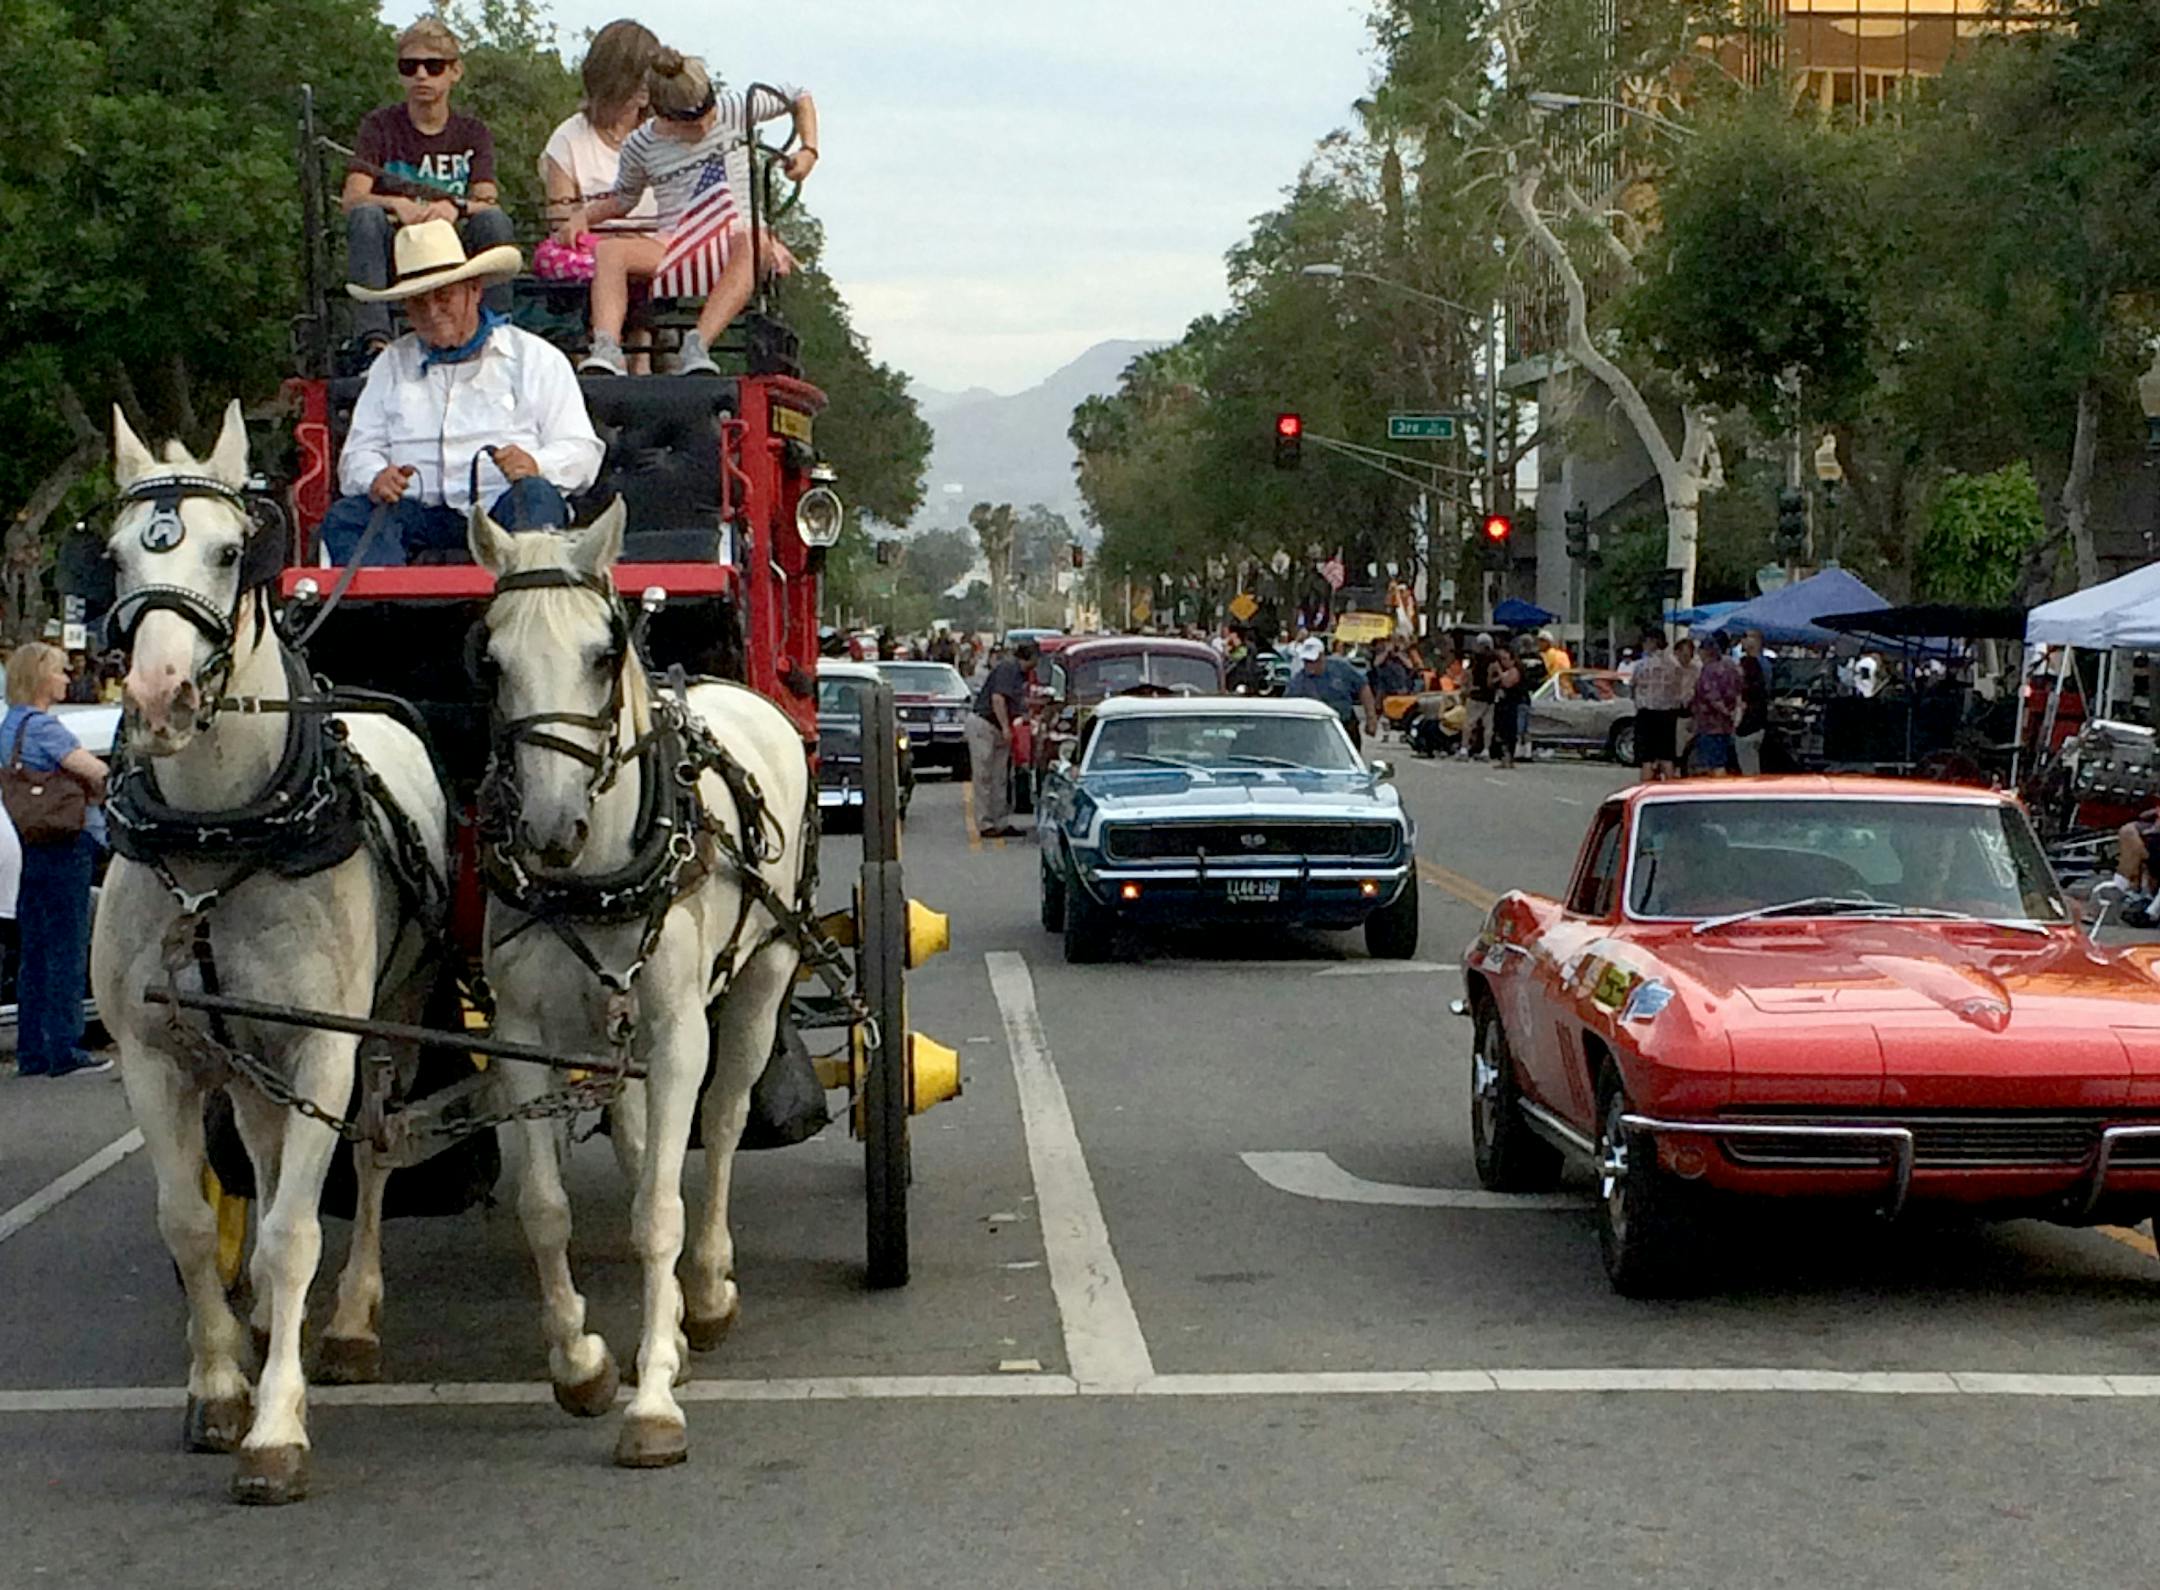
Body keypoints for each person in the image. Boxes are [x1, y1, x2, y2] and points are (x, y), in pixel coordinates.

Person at [322, 221, 605, 566]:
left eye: (443, 296)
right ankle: (388, 615)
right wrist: (376, 477)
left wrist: (536, 464)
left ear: (474, 290)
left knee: (537, 498)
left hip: (503, 509)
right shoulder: (391, 363)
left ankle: (522, 609)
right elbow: (358, 454)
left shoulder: (534, 357)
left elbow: (582, 450)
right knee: (350, 516)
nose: (432, 311)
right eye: (418, 302)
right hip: (416, 514)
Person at [579, 52, 819, 378]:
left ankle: (698, 344)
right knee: (609, 252)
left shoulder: (734, 110)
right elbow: (624, 199)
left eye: (708, 113)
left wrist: (808, 150)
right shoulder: (642, 144)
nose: (705, 125)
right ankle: (606, 347)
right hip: (676, 240)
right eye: (693, 122)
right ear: (666, 116)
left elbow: (798, 94)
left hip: (736, 235)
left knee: (753, 244)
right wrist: (582, 217)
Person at [342, 18, 517, 360]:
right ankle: (373, 342)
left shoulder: (472, 131)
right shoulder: (379, 127)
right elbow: (353, 197)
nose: (421, 75)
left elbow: (486, 197)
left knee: (494, 222)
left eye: (433, 66)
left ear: (455, 72)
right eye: (410, 67)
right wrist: (396, 205)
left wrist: (456, 208)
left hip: (454, 249)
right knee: (364, 217)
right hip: (397, 248)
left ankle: (498, 331)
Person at [3, 644, 111, 1078]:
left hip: (22, 844)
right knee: (67, 947)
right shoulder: (47, 730)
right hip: (63, 845)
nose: (69, 679)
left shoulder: (9, 725)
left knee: (34, 950)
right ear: (41, 678)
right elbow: (96, 772)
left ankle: (32, 1051)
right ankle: (66, 1050)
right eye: (61, 672)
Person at [538, 19, 663, 366]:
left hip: (654, 250)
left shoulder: (664, 139)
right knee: (604, 260)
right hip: (595, 255)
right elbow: (560, 221)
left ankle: (638, 350)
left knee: (639, 258)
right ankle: (620, 349)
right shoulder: (568, 140)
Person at [967, 638, 1037, 839]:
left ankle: (1000, 821)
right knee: (984, 775)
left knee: (1000, 777)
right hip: (985, 724)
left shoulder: (1022, 675)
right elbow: (997, 698)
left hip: (999, 728)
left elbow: (1017, 701)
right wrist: (1006, 727)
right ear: (1029, 657)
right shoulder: (1008, 669)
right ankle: (984, 822)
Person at [1286, 636, 1377, 750]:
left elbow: (1363, 687)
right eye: (1307, 661)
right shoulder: (1298, 681)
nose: (1310, 665)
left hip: (1345, 725)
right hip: (1315, 731)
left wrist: (1371, 718)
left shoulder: (1341, 668)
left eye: (1314, 661)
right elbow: (1288, 705)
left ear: (1322, 656)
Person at [1630, 629, 1685, 782]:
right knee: (1667, 755)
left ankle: (1647, 787)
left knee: (1647, 758)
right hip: (1668, 713)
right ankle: (1669, 787)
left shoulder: (1642, 665)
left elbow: (1633, 686)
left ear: (1653, 642)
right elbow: (1679, 687)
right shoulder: (1674, 663)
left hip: (1646, 713)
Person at [1692, 632, 1744, 777]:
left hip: (1711, 724)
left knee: (1715, 764)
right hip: (1727, 725)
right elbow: (1739, 691)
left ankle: (1718, 791)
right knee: (1722, 760)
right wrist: (1733, 714)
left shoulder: (1709, 670)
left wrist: (1725, 711)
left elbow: (1711, 696)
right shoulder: (1732, 667)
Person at [1735, 629, 1771, 775]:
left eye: (1746, 637)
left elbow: (1746, 694)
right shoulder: (1765, 664)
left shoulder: (1752, 664)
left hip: (1748, 721)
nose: (1742, 641)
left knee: (1748, 762)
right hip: (1759, 719)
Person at [1488, 641, 1526, 769]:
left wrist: (1499, 672)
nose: (1502, 662)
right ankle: (1503, 758)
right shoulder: (1503, 671)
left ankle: (1509, 757)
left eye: (1505, 659)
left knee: (1509, 732)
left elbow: (1507, 683)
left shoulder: (1515, 671)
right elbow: (1491, 683)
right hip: (1501, 704)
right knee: (1500, 732)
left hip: (1511, 705)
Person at [1459, 634, 1496, 758]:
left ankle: (1464, 748)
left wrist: (1467, 687)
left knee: (1469, 723)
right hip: (1490, 697)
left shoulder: (1474, 660)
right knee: (1488, 724)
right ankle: (1486, 750)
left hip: (1476, 694)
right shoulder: (1493, 660)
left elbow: (1467, 675)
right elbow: (1492, 678)